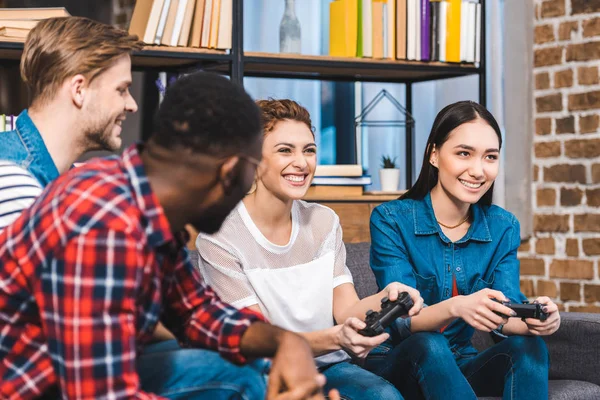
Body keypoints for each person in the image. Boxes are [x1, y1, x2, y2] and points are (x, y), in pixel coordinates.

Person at [0, 73, 336, 400]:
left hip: (77, 380)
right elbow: (104, 395)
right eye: (251, 179)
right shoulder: (105, 227)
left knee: (239, 374)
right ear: (229, 173)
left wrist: (287, 343)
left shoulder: (144, 201)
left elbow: (196, 311)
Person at [196, 99, 424, 400]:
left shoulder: (323, 221)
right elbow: (260, 342)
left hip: (329, 365)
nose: (302, 163)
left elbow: (346, 310)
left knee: (385, 397)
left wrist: (387, 296)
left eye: (309, 150)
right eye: (285, 150)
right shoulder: (220, 235)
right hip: (266, 374)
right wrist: (334, 338)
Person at [367, 100, 559, 399]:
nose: (478, 170)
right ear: (434, 154)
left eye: (490, 157)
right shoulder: (391, 219)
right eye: (464, 154)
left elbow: (505, 311)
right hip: (400, 360)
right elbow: (402, 320)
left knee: (530, 346)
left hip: (461, 362)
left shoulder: (503, 227)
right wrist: (458, 306)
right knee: (430, 343)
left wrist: (536, 321)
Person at [0, 16, 140, 230]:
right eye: (121, 90)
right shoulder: (15, 187)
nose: (132, 105)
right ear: (79, 90)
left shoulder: (64, 179)